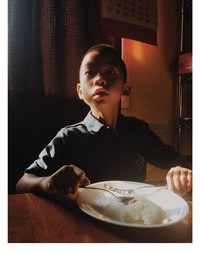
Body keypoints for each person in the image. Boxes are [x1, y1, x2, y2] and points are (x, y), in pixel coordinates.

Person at [16, 44, 192, 202]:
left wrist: (181, 173)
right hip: (85, 225)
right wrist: (48, 182)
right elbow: (23, 182)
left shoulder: (139, 131)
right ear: (80, 91)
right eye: (90, 73)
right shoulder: (69, 137)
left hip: (134, 219)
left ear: (125, 88)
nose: (99, 79)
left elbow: (177, 161)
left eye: (110, 72)